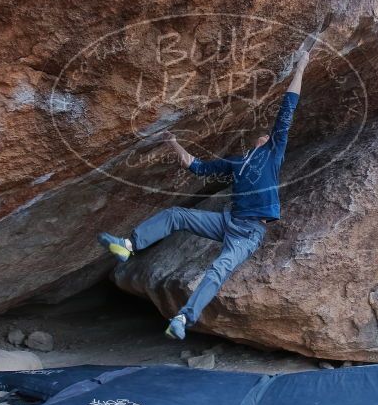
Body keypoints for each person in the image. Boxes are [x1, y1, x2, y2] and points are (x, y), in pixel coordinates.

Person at [98, 50, 310, 339]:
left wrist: (301, 67)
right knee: (177, 215)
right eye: (264, 136)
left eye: (271, 136)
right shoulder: (236, 162)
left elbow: (288, 109)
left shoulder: (274, 153)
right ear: (256, 141)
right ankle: (128, 245)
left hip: (248, 233)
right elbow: (196, 167)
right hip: (228, 220)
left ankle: (184, 319)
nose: (269, 136)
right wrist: (173, 144)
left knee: (217, 270)